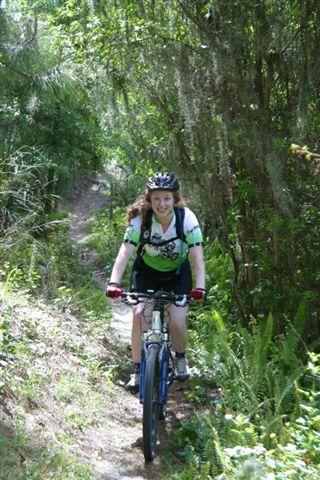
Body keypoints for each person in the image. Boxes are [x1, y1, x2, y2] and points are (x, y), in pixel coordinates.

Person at [106, 172, 206, 392]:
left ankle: (180, 358)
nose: (162, 204)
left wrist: (200, 287)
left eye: (167, 198)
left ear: (175, 199)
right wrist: (114, 282)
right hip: (146, 272)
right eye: (157, 198)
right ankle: (138, 370)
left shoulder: (186, 218)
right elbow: (125, 252)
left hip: (177, 274)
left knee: (177, 322)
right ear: (149, 199)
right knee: (139, 315)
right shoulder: (140, 219)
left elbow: (197, 256)